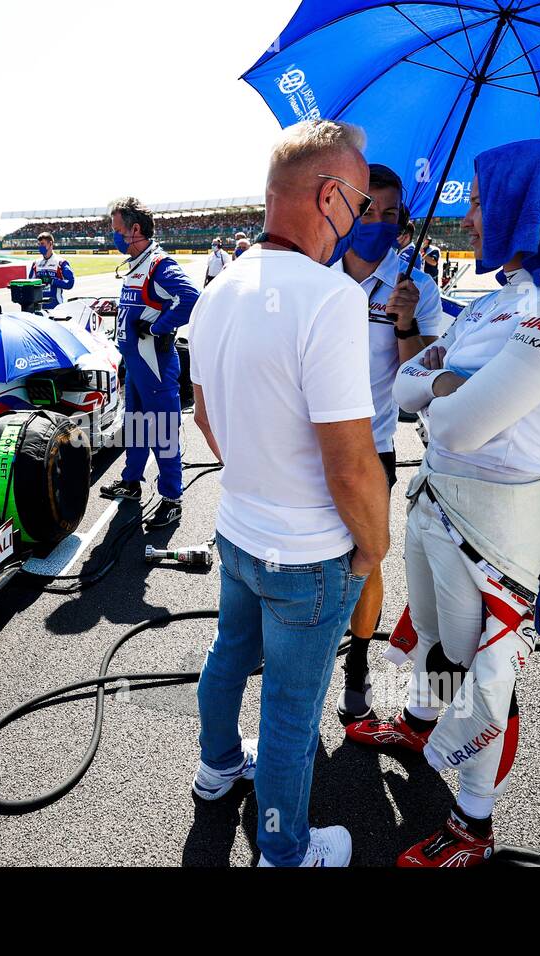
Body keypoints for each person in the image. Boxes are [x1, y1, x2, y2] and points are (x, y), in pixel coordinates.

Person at [351, 139, 540, 867]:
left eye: (479, 201)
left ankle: (474, 825)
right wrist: (448, 384)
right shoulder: (510, 294)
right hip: (437, 493)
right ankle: (417, 722)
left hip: (497, 517)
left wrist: (445, 387)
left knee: (486, 671)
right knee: (438, 637)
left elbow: (452, 415)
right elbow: (413, 382)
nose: (469, 218)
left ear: (526, 205)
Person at [188, 119, 389, 868]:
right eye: (362, 204)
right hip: (306, 555)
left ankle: (215, 770)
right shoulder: (329, 298)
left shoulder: (219, 288)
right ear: (330, 195)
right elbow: (350, 465)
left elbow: (207, 417)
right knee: (293, 712)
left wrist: (255, 471)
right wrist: (376, 545)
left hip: (237, 529)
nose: (364, 219)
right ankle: (283, 849)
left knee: (227, 654)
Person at [329, 164, 442, 724]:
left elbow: (425, 386)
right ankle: (308, 658)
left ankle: (356, 668)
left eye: (390, 214)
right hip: (310, 444)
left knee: (366, 560)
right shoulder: (313, 271)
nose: (376, 222)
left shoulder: (415, 285)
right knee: (305, 558)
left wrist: (404, 326)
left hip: (372, 446)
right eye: (365, 210)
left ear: (404, 222)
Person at [100, 196, 200, 530]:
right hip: (135, 365)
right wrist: (116, 311)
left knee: (164, 432)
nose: (113, 236)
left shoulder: (159, 264)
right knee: (138, 426)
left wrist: (158, 326)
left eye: (116, 230)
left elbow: (191, 300)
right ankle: (131, 482)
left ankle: (172, 499)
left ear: (135, 229)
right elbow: (142, 304)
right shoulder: (136, 264)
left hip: (155, 366)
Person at [27, 231, 75, 310]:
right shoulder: (36, 263)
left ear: (50, 244)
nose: (40, 247)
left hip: (56, 308)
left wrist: (51, 280)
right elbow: (30, 284)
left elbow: (70, 283)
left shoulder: (60, 262)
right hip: (38, 308)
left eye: (42, 244)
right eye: (39, 244)